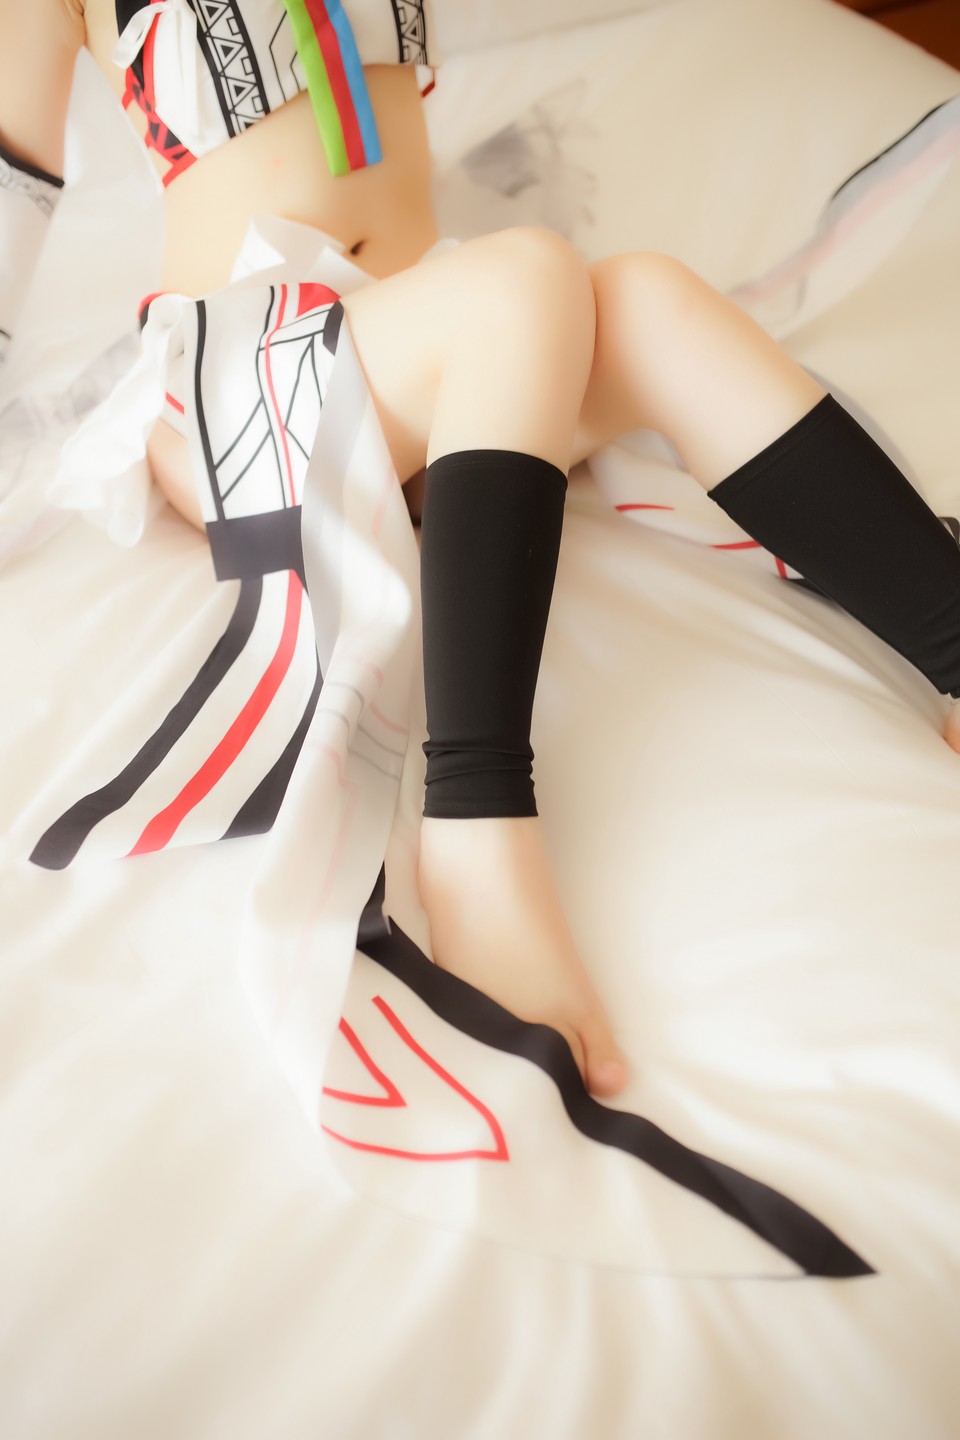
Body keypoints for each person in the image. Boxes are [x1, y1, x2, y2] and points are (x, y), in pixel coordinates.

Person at [4, 0, 960, 1101]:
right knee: (526, 276)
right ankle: (475, 831)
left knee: (649, 299)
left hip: (428, 341)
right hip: (242, 386)